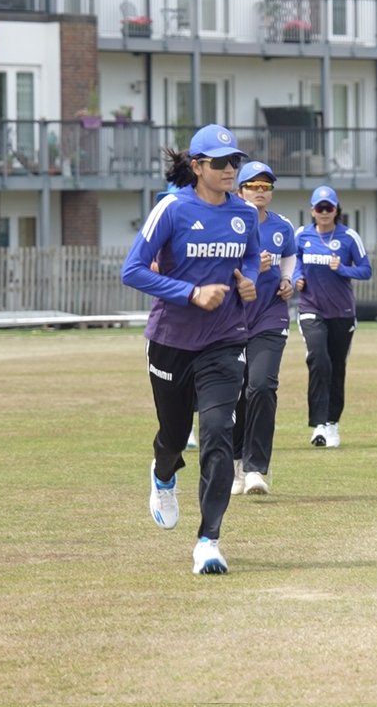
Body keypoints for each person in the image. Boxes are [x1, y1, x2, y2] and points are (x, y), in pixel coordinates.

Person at [121, 124, 259, 575]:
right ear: (197, 166)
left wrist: (248, 280)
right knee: (175, 435)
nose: (230, 169)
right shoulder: (172, 208)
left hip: (225, 340)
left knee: (218, 434)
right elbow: (132, 271)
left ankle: (208, 541)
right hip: (171, 341)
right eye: (220, 162)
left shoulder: (244, 214)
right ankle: (163, 475)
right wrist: (191, 293)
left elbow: (251, 257)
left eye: (234, 161)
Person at [229, 161, 296, 498]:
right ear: (239, 190)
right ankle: (235, 464)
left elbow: (290, 257)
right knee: (235, 392)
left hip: (270, 316)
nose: (260, 191)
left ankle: (255, 469)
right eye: (253, 185)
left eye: (266, 186)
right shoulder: (227, 224)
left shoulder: (282, 226)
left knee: (262, 386)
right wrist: (252, 265)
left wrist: (287, 280)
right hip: (231, 319)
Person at [295, 185, 371, 449]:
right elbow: (293, 263)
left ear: (336, 209)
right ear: (312, 210)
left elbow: (366, 270)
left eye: (329, 207)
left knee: (337, 367)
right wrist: (296, 278)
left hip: (342, 312)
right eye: (320, 207)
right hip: (311, 308)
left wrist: (343, 269)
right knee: (319, 359)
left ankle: (332, 423)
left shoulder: (349, 237)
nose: (324, 212)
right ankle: (318, 424)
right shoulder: (302, 235)